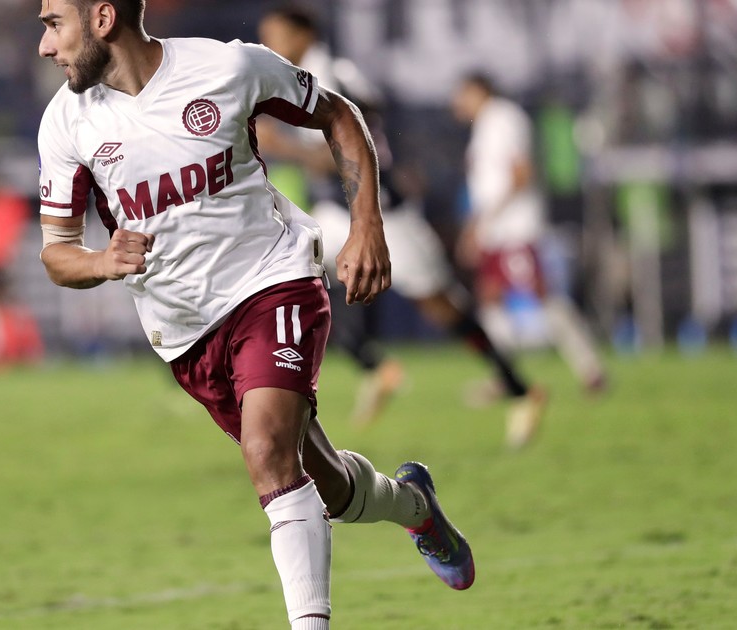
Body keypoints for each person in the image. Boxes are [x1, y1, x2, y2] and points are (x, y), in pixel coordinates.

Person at [34, 2, 474, 627]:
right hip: (185, 332)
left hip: (273, 281)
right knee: (327, 486)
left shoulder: (228, 67)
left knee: (268, 454)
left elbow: (338, 115)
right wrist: (102, 261)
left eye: (54, 24)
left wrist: (366, 223)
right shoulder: (65, 122)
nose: (46, 46)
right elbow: (56, 253)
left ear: (103, 18)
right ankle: (414, 507)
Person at [256, 5, 547, 447]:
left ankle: (519, 388)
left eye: (276, 34)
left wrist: (280, 146)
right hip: (338, 211)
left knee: (440, 305)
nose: (270, 44)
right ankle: (374, 366)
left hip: (382, 215)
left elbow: (346, 154)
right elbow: (371, 113)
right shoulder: (325, 74)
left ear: (303, 35)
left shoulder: (327, 76)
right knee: (292, 271)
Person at [451, 73, 607, 395]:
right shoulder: (486, 125)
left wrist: (484, 220)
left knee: (540, 295)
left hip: (514, 227)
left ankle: (590, 368)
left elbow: (521, 173)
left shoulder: (504, 119)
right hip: (497, 230)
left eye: (462, 94)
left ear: (478, 91)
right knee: (490, 298)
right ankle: (506, 376)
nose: (457, 103)